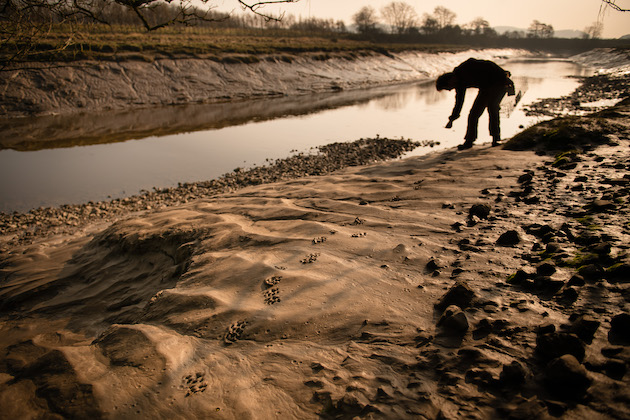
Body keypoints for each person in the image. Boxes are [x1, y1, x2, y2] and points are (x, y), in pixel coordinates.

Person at [436, 58, 515, 150]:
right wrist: (452, 118)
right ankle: (470, 141)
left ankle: (495, 139)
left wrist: (505, 78)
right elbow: (459, 102)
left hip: (499, 82)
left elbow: (488, 65)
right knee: (474, 114)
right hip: (485, 87)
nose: (449, 90)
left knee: (492, 108)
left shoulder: (466, 68)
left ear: (450, 80)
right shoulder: (459, 83)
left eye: (447, 88)